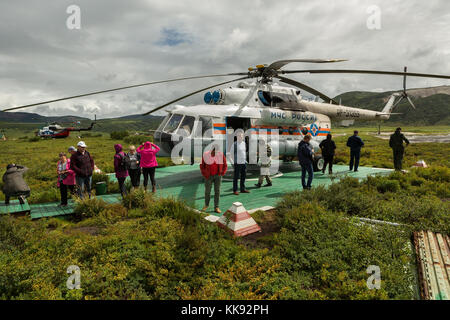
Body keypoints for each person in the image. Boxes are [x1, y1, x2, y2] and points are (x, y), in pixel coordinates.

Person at [200, 144, 227, 213]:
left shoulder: (220, 154)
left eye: (217, 151)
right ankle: (206, 205)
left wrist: (222, 173)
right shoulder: (206, 155)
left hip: (218, 176)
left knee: (217, 191)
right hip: (209, 176)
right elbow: (202, 166)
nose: (216, 153)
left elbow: (225, 164)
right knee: (207, 191)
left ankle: (216, 207)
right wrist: (205, 174)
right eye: (214, 151)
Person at [228, 130, 250, 195]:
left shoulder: (244, 143)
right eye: (238, 136)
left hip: (244, 163)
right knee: (236, 177)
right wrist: (233, 162)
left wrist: (245, 160)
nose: (240, 137)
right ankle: (235, 190)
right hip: (237, 163)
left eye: (241, 136)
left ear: (243, 137)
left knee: (243, 176)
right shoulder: (234, 144)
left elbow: (244, 152)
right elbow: (231, 154)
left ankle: (242, 189)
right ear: (236, 137)